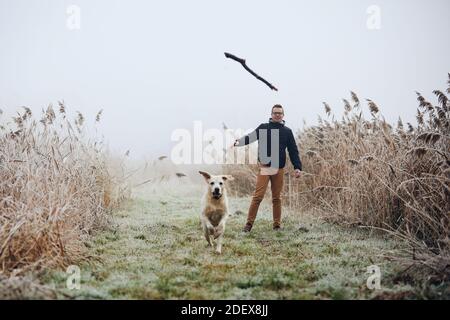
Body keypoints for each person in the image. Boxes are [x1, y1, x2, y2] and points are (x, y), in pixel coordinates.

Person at [233, 104, 302, 232]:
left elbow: (293, 151)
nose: (277, 115)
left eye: (280, 113)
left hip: (278, 169)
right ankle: (248, 225)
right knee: (258, 196)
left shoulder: (287, 131)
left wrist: (297, 167)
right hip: (265, 168)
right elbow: (251, 137)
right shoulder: (263, 127)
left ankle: (277, 226)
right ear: (271, 114)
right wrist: (239, 142)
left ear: (283, 115)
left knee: (277, 198)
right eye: (275, 113)